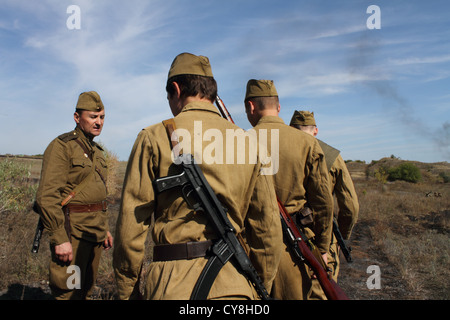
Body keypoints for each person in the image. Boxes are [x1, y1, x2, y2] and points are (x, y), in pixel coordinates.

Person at [113, 53, 282, 300]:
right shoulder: (251, 143)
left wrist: (128, 291)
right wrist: (258, 285)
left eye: (168, 96)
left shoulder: (153, 137)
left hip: (172, 287)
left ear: (176, 89)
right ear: (212, 92)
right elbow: (267, 230)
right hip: (236, 287)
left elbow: (132, 226)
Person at [243, 79, 334, 300]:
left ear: (251, 106)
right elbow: (323, 202)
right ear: (279, 107)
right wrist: (322, 248)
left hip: (249, 249)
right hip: (296, 250)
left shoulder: (239, 142)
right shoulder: (307, 143)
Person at [35, 91, 113, 300]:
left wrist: (104, 229)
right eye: (93, 117)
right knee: (68, 292)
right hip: (73, 233)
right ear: (77, 118)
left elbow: (97, 194)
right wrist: (60, 238)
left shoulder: (97, 151)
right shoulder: (62, 147)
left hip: (94, 233)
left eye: (102, 117)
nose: (99, 122)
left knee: (86, 289)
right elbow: (47, 197)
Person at [290, 110, 359, 299]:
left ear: (291, 130)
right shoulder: (332, 155)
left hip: (288, 235)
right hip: (323, 237)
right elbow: (350, 207)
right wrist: (338, 239)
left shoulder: (285, 154)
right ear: (316, 131)